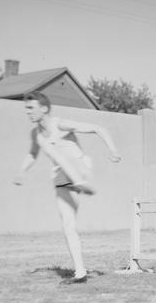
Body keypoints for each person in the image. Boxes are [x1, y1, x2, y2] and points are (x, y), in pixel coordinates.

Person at [13, 91, 121, 284]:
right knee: (68, 226)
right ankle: (80, 273)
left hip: (80, 168)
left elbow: (98, 128)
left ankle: (80, 182)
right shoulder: (36, 134)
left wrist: (113, 150)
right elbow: (32, 153)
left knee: (51, 148)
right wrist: (21, 171)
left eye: (31, 108)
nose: (27, 112)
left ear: (44, 108)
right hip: (62, 177)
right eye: (26, 109)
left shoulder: (59, 124)